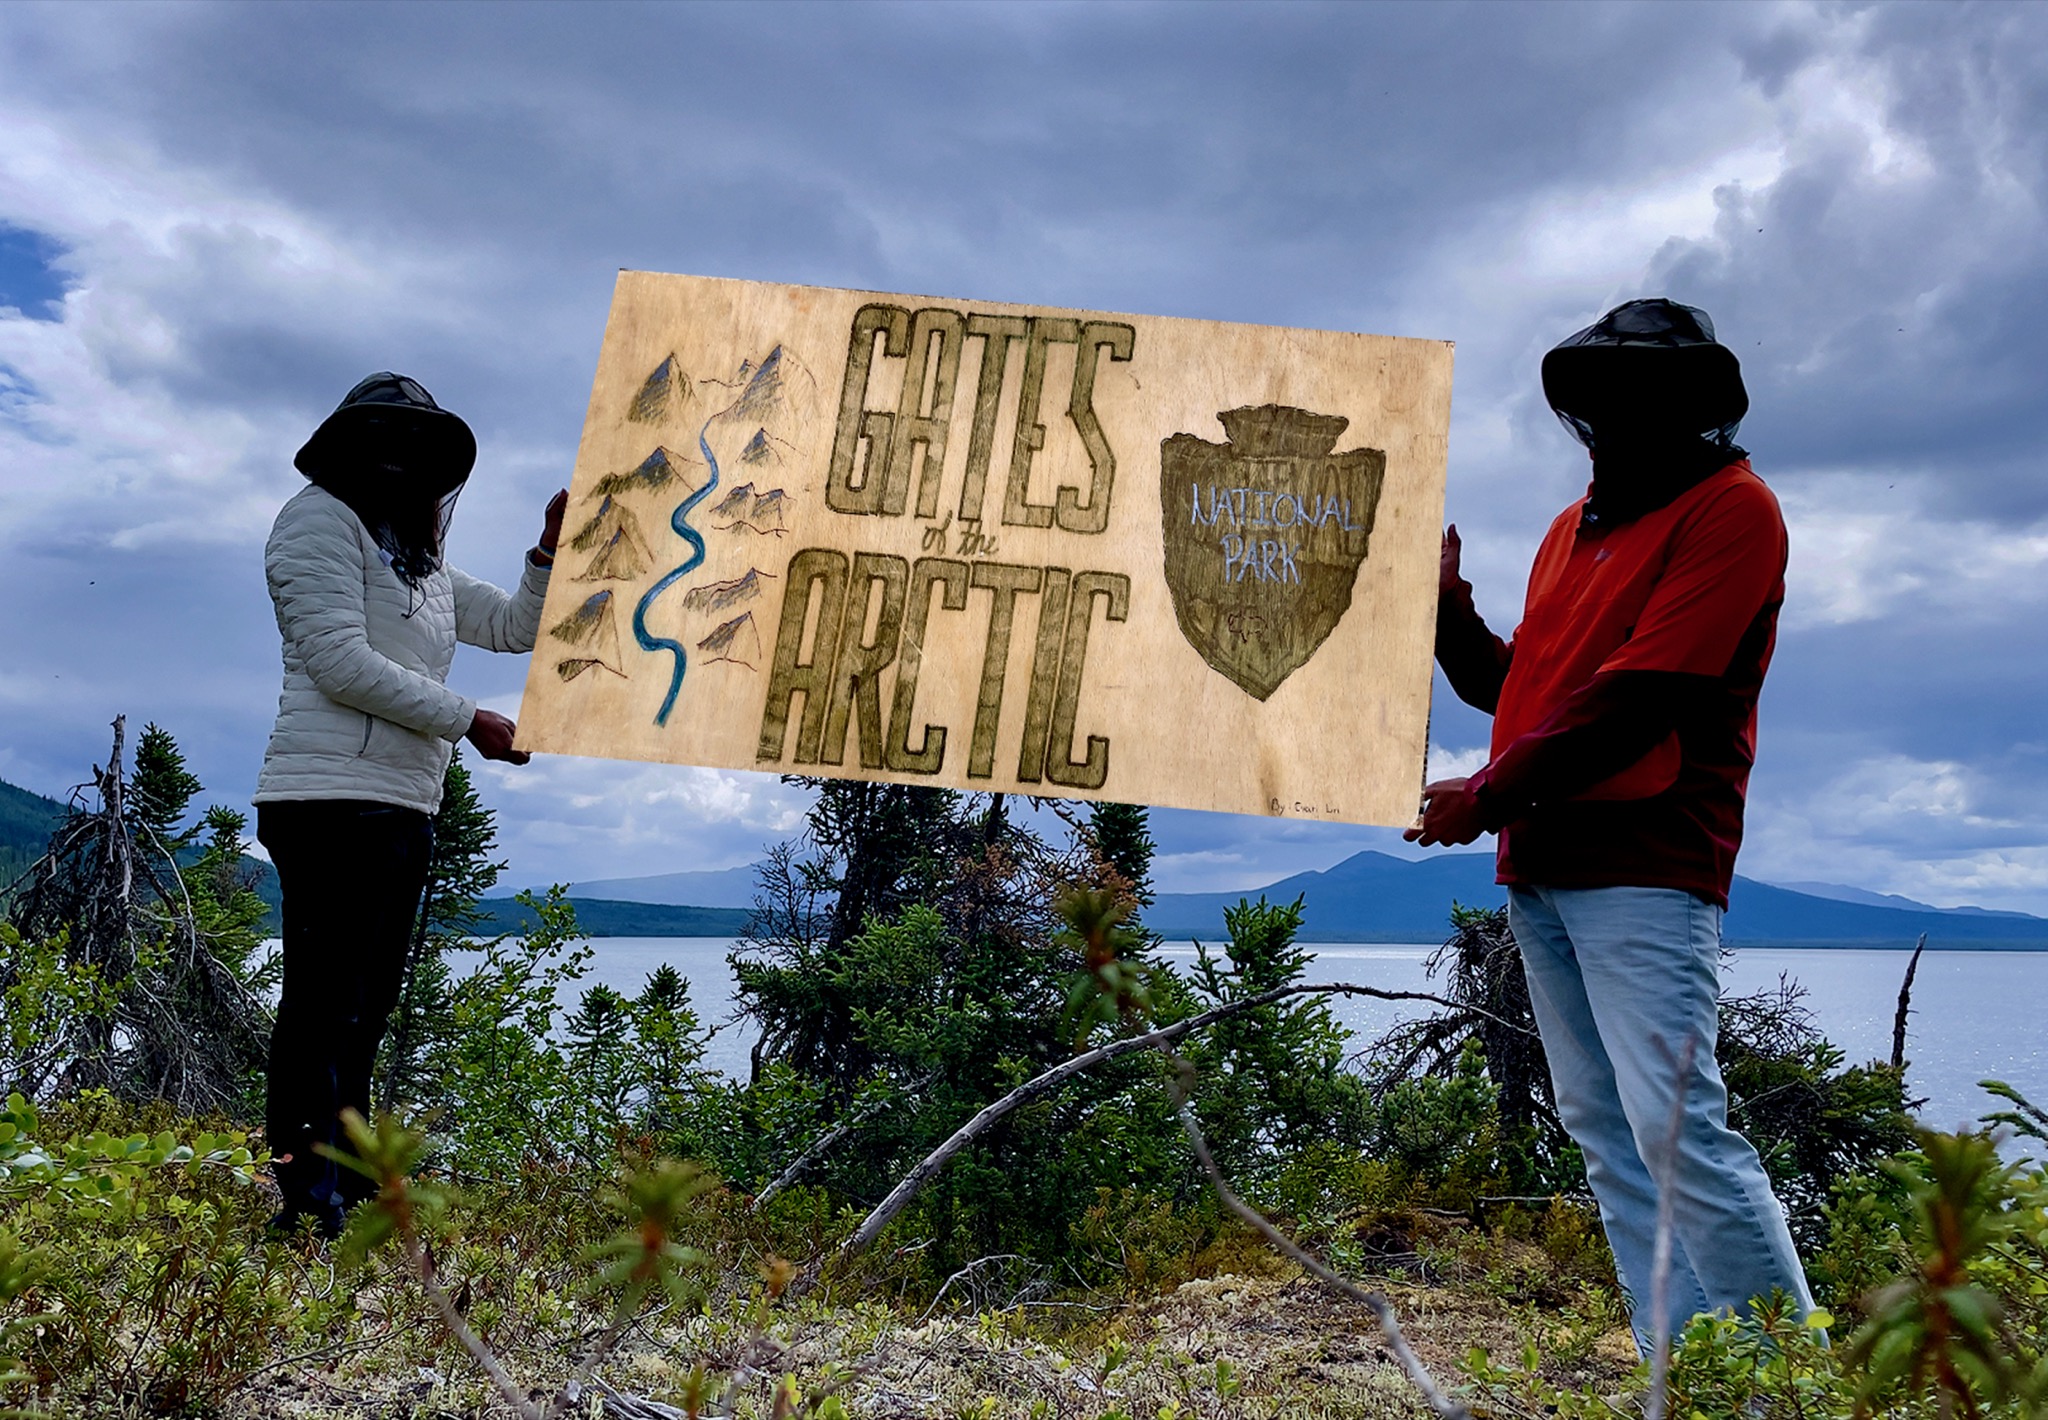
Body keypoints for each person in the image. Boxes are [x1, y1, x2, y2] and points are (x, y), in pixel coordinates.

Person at [1405, 299, 1813, 1350]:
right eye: (1601, 392)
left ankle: (1800, 1379)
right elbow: (1524, 697)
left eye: (1641, 392)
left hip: (1646, 857)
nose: (1613, 412)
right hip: (1540, 858)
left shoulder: (1733, 510)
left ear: (1690, 405)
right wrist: (1447, 617)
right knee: (1604, 1132)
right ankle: (1680, 1367)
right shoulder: (1566, 531)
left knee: (1678, 1132)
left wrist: (1485, 794)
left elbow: (1641, 695)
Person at [253, 372, 566, 1235]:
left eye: (415, 448)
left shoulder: (417, 559)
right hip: (324, 799)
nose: (397, 461)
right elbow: (338, 663)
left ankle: (345, 1191)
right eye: (382, 442)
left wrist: (546, 553)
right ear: (348, 448)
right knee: (322, 1002)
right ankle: (303, 1195)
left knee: (366, 1004)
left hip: (399, 802)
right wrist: (471, 720)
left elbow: (514, 627)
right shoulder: (316, 522)